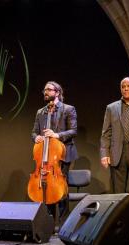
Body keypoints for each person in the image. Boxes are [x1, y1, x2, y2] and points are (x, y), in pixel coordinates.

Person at [31, 81, 78, 223]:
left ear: (57, 92)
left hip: (62, 154)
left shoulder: (68, 109)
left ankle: (64, 223)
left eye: (49, 90)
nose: (46, 92)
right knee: (47, 188)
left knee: (61, 189)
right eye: (44, 90)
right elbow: (33, 132)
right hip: (45, 156)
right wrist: (37, 137)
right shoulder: (41, 111)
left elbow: (73, 131)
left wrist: (56, 135)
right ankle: (48, 223)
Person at [100, 77, 129, 195]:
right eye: (123, 86)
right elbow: (106, 132)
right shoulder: (111, 108)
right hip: (117, 153)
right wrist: (104, 153)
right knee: (118, 190)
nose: (126, 89)